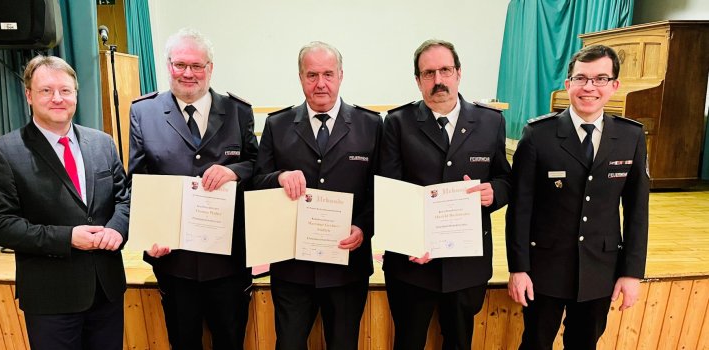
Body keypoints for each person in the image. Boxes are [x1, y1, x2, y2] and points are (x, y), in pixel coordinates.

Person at [0, 55, 130, 350]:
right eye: (46, 90)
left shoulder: (103, 143)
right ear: (29, 96)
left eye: (65, 90)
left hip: (107, 290)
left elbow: (124, 199)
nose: (57, 98)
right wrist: (67, 238)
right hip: (51, 297)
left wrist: (117, 229)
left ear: (76, 94)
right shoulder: (3, 153)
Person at [506, 44, 649, 349]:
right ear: (568, 84)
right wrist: (518, 268)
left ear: (614, 86)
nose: (589, 87)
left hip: (600, 268)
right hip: (545, 267)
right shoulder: (538, 135)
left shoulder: (631, 136)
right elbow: (520, 208)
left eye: (600, 79)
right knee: (535, 343)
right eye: (581, 78)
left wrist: (632, 272)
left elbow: (637, 210)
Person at [128, 28, 258, 349]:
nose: (188, 73)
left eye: (197, 66)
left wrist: (234, 172)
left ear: (210, 68)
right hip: (174, 260)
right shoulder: (143, 112)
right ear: (168, 66)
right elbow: (138, 180)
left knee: (230, 342)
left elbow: (258, 166)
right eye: (180, 65)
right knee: (183, 343)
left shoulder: (238, 112)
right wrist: (149, 236)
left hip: (229, 259)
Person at [378, 39, 511, 350]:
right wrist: (413, 239)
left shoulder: (491, 121)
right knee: (408, 342)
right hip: (412, 265)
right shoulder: (398, 123)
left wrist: (494, 192)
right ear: (418, 80)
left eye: (445, 70)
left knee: (459, 342)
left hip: (466, 264)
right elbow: (389, 190)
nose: (438, 80)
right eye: (428, 73)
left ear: (458, 73)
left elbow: (506, 178)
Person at [252, 41, 382, 350]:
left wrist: (363, 227)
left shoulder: (371, 125)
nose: (320, 83)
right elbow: (255, 183)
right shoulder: (277, 124)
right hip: (291, 267)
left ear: (341, 75)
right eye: (312, 75)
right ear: (300, 77)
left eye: (328, 74)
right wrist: (278, 177)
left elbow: (380, 190)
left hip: (347, 266)